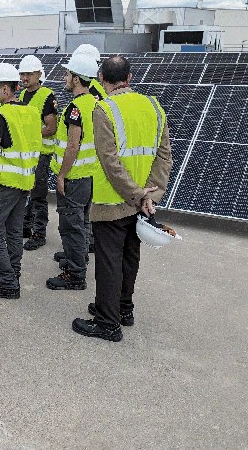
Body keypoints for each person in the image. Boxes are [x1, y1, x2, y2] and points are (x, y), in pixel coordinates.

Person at [72, 55, 172, 342]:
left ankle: (107, 322)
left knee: (108, 261)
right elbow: (164, 156)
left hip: (111, 199)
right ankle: (122, 309)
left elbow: (109, 160)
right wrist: (150, 194)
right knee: (130, 256)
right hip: (142, 201)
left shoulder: (104, 109)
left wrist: (136, 194)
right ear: (129, 77)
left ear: (102, 78)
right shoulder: (154, 106)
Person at [0, 63, 42, 299]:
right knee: (14, 230)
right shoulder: (31, 112)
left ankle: (7, 282)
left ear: (6, 89)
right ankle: (11, 273)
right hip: (26, 182)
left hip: (4, 183)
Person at [46, 53, 100, 291]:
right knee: (83, 222)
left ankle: (75, 275)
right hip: (90, 176)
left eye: (68, 75)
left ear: (77, 79)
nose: (65, 78)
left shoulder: (75, 109)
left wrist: (61, 175)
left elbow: (73, 145)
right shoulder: (96, 103)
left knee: (71, 226)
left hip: (74, 177)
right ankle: (78, 260)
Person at [18, 55, 58, 251]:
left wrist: (29, 134)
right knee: (26, 190)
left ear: (39, 74)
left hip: (42, 153)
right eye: (22, 74)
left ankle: (39, 233)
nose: (24, 77)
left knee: (38, 195)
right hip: (28, 153)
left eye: (28, 74)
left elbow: (51, 127)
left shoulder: (47, 96)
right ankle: (26, 227)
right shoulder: (22, 96)